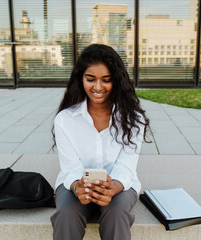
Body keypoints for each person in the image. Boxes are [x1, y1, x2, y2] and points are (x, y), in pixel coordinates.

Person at [50, 44, 150, 240]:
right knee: (67, 215)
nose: (98, 87)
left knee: (117, 213)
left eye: (106, 80)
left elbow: (126, 167)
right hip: (75, 184)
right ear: (81, 79)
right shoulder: (65, 119)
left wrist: (114, 186)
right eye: (90, 79)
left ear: (117, 81)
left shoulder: (134, 120)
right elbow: (71, 167)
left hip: (118, 185)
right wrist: (78, 186)